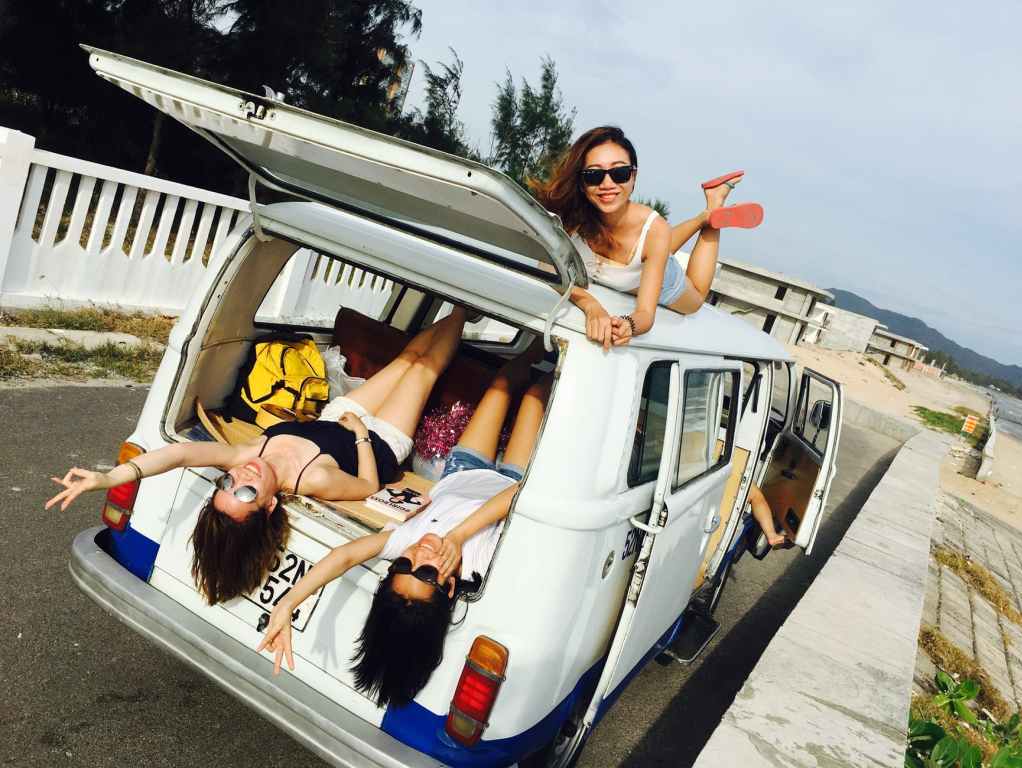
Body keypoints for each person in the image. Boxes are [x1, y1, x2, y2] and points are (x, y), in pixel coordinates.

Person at [45, 309, 468, 605]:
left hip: (336, 417)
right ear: (268, 505)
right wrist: (360, 435)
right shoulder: (311, 480)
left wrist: (108, 478)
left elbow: (178, 454)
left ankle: (454, 307)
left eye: (226, 484)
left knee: (406, 358)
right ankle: (463, 311)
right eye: (245, 492)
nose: (240, 477)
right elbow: (367, 485)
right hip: (379, 442)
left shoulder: (246, 456)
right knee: (424, 368)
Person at [255, 344, 552, 707]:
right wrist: (457, 537)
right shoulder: (482, 562)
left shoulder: (406, 543)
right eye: (427, 573)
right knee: (535, 397)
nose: (418, 555)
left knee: (502, 385)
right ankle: (563, 358)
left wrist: (287, 604)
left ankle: (538, 344)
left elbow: (342, 557)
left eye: (402, 566)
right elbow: (522, 494)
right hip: (512, 481)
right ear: (450, 586)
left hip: (462, 473)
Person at [531, 125, 762, 350]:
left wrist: (628, 325)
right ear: (581, 183)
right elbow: (546, 270)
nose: (607, 184)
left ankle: (713, 210)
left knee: (697, 297)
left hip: (662, 279)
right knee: (655, 247)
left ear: (633, 177)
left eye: (619, 173)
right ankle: (703, 217)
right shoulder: (569, 216)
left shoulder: (655, 229)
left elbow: (645, 315)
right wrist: (590, 305)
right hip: (642, 259)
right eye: (594, 175)